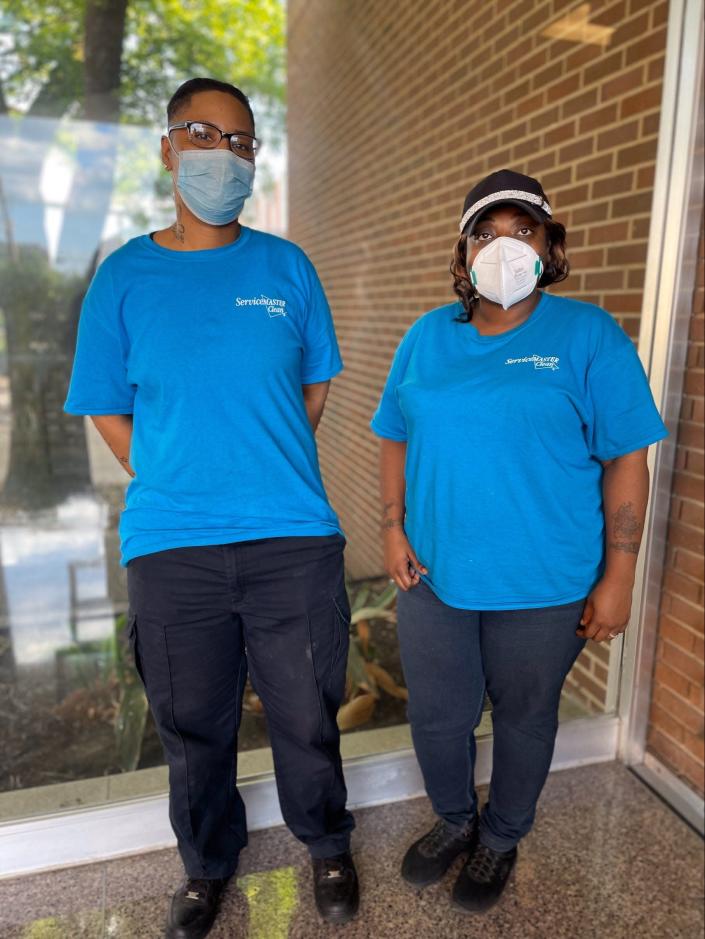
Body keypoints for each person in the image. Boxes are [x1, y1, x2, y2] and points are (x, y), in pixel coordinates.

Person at [64, 77, 359, 939]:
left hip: (291, 538)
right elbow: (107, 406)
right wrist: (172, 470)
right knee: (192, 727)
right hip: (172, 545)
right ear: (167, 148)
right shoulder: (123, 277)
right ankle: (205, 868)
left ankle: (328, 843)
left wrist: (258, 461)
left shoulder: (285, 267)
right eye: (203, 133)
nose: (221, 154)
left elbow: (315, 383)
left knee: (306, 711)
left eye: (239, 141)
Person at [371, 169, 667, 914]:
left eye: (523, 230)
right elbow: (393, 436)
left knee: (525, 718)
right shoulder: (425, 337)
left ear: (550, 244)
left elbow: (626, 458)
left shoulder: (588, 335)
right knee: (436, 715)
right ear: (463, 250)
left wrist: (619, 577)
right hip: (433, 576)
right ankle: (452, 819)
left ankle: (500, 836)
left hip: (545, 582)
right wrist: (391, 527)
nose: (503, 246)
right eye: (485, 232)